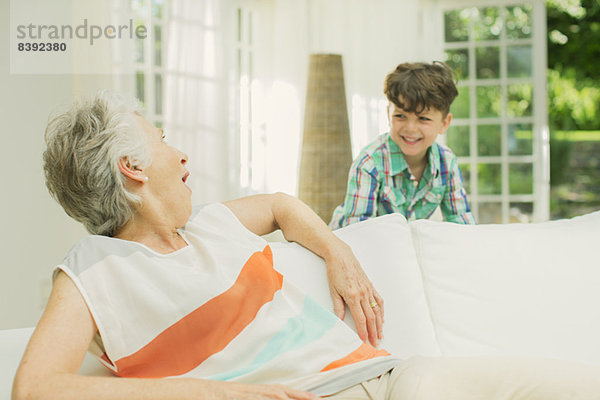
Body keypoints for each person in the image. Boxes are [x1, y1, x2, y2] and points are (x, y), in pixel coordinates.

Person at [12, 91, 600, 400]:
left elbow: (279, 205)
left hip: (398, 379)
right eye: (164, 141)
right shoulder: (95, 268)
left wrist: (339, 255)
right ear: (133, 169)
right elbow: (37, 390)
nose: (182, 154)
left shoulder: (211, 224)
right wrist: (212, 396)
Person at [330, 62, 476, 229]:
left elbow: (461, 222)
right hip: (350, 244)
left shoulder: (446, 162)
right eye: (400, 116)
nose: (410, 128)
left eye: (423, 119)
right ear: (388, 114)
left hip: (400, 244)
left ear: (444, 123)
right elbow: (358, 232)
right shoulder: (370, 163)